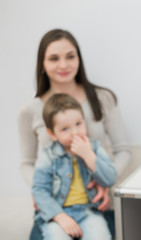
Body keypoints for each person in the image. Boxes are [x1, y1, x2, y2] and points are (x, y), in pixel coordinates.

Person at [18, 29, 131, 239]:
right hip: (55, 207)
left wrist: (103, 179)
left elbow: (122, 151)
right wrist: (41, 191)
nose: (64, 65)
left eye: (70, 56)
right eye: (54, 58)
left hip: (96, 205)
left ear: (78, 58)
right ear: (42, 64)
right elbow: (27, 162)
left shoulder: (103, 98)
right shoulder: (29, 111)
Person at [33, 93, 117, 239]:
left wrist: (89, 156)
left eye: (78, 124)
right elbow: (39, 190)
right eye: (65, 129)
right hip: (59, 212)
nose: (75, 132)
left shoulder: (94, 148)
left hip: (88, 211)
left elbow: (110, 178)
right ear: (52, 134)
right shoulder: (48, 156)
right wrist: (59, 216)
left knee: (100, 236)